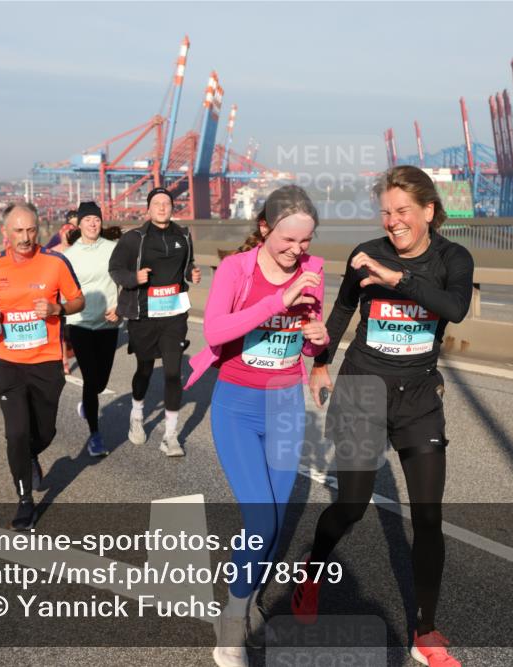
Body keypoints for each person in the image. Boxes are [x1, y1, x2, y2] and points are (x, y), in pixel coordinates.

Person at [292, 166, 473, 667]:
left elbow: (453, 308)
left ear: (429, 212)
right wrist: (320, 363)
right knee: (350, 505)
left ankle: (425, 632)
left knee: (430, 516)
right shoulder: (364, 256)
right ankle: (310, 569)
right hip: (361, 391)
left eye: (403, 212)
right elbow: (343, 310)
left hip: (418, 398)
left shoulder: (453, 258)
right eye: (386, 212)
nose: (393, 221)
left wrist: (398, 278)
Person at [184, 185, 328, 667]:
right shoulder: (235, 269)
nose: (297, 251)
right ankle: (232, 620)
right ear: (265, 228)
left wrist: (316, 341)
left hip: (286, 404)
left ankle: (244, 599)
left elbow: (305, 344)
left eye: (305, 242)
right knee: (261, 519)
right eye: (288, 240)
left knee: (275, 519)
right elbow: (216, 331)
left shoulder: (315, 271)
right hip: (238, 406)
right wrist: (277, 301)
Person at [0, 201, 85, 531]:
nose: (25, 237)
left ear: (39, 229)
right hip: (7, 361)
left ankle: (30, 453)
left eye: (31, 229)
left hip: (46, 361)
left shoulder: (56, 263)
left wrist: (56, 308)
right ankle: (25, 502)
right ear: (5, 233)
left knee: (45, 430)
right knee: (17, 432)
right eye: (18, 230)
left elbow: (79, 300)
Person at [109, 187, 201, 457]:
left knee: (173, 373)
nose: (162, 207)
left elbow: (186, 266)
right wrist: (133, 279)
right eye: (156, 203)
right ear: (148, 210)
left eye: (167, 203)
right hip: (144, 315)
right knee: (145, 370)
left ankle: (170, 436)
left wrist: (192, 273)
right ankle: (136, 414)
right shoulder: (134, 238)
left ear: (173, 208)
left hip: (174, 315)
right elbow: (116, 268)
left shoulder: (183, 235)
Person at [63, 201, 122, 457]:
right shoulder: (69, 255)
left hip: (109, 323)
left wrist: (120, 307)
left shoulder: (114, 249)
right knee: (89, 380)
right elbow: (63, 290)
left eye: (96, 219)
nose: (93, 224)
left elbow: (126, 281)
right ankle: (95, 436)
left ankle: (88, 403)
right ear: (80, 223)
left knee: (100, 382)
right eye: (88, 220)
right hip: (80, 324)